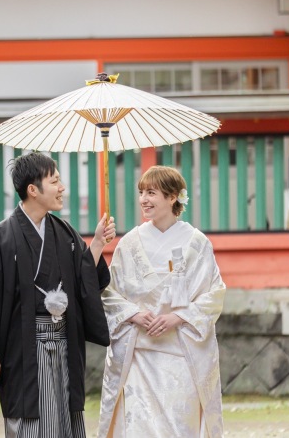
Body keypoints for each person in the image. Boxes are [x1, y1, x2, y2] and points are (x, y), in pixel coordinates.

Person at [0, 151, 116, 438]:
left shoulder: (65, 233)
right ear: (33, 190)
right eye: (55, 181)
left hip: (64, 342)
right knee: (29, 417)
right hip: (23, 346)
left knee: (65, 417)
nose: (62, 188)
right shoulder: (1, 238)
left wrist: (96, 246)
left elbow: (83, 280)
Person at [97, 165, 226, 438]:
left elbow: (213, 293)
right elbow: (109, 291)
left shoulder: (197, 243)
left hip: (181, 353)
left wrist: (177, 317)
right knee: (139, 427)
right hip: (139, 355)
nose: (144, 199)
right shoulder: (130, 243)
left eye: (152, 192)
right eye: (141, 192)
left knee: (180, 428)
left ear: (173, 197)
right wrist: (133, 313)